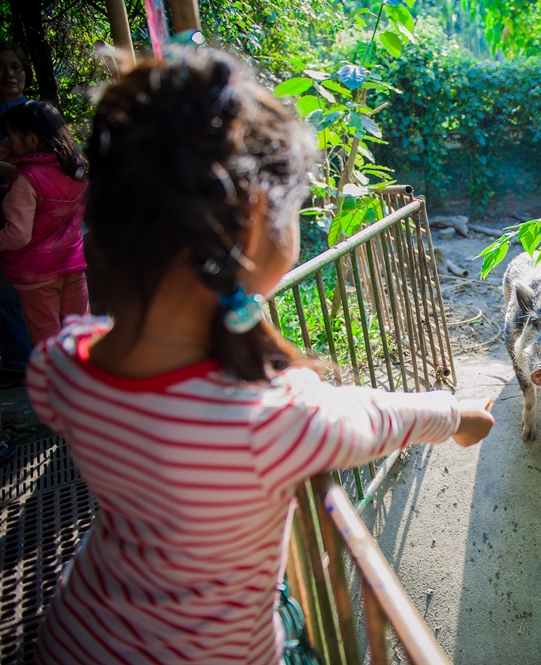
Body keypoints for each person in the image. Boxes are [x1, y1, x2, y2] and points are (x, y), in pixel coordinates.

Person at [27, 47, 494, 664]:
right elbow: (379, 416)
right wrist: (456, 415)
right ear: (252, 219)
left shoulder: (62, 362)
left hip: (72, 637)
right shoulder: (266, 423)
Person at [0, 101, 89, 346]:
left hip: (36, 275)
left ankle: (51, 383)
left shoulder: (25, 180)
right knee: (82, 333)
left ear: (30, 140)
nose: (7, 143)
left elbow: (18, 235)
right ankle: (84, 380)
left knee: (47, 341)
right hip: (72, 265)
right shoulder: (73, 169)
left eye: (10, 137)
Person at [0, 42, 34, 390]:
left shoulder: (36, 115)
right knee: (8, 295)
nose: (9, 74)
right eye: (2, 67)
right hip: (7, 218)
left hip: (37, 223)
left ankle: (29, 364)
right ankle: (19, 363)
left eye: (16, 67)